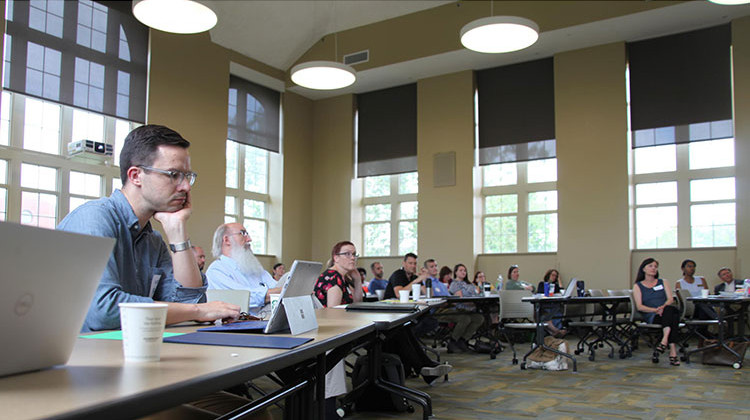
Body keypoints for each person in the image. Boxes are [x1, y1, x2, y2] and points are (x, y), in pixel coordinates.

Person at [58, 125, 240, 332]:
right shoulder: (93, 218)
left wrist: (177, 229)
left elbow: (192, 300)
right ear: (136, 176)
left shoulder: (152, 241)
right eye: (173, 174)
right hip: (79, 357)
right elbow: (104, 312)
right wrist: (197, 311)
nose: (186, 187)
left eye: (187, 176)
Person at [313, 241, 363, 418]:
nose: (352, 258)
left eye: (354, 254)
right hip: (327, 335)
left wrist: (357, 280)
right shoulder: (333, 278)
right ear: (336, 257)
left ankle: (332, 408)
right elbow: (333, 314)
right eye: (347, 254)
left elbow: (357, 302)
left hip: (334, 331)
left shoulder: (342, 278)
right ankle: (328, 411)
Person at [206, 223, 283, 316]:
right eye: (243, 233)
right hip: (240, 325)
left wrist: (285, 289)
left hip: (266, 319)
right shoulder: (217, 271)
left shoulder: (254, 268)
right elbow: (243, 298)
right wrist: (285, 290)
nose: (249, 239)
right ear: (226, 240)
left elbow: (277, 287)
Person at [425, 259, 483, 353]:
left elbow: (452, 298)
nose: (435, 268)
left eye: (436, 266)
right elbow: (434, 299)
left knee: (479, 318)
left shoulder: (440, 284)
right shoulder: (427, 282)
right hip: (439, 310)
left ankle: (463, 340)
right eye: (432, 266)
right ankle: (452, 341)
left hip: (449, 307)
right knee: (465, 318)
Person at [632, 258, 681, 366]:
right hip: (653, 316)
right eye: (650, 266)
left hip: (665, 312)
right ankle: (672, 351)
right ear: (643, 269)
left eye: (655, 266)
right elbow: (640, 307)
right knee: (673, 315)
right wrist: (656, 310)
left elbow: (670, 299)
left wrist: (662, 307)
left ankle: (664, 341)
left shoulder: (663, 282)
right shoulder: (637, 286)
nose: (653, 268)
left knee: (670, 310)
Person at [536, 269, 567, 337]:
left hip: (553, 306)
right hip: (545, 306)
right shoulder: (542, 284)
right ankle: (556, 331)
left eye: (555, 276)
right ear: (548, 275)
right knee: (548, 315)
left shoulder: (555, 286)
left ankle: (555, 331)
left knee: (558, 311)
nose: (554, 277)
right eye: (552, 275)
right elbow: (539, 294)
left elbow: (562, 292)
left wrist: (559, 280)